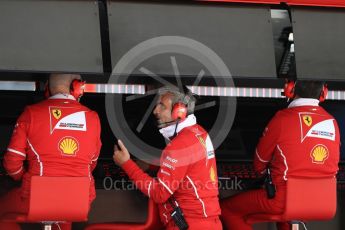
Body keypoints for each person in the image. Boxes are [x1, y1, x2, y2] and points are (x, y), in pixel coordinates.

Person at [220, 80, 340, 230]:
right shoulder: (332, 121)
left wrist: (264, 175)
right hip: (322, 202)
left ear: (290, 90)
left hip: (284, 199)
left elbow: (259, 162)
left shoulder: (282, 118)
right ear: (324, 93)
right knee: (283, 218)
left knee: (228, 209)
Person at [0, 74, 102, 230]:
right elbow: (93, 163)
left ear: (47, 88)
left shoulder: (31, 113)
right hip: (78, 201)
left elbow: (12, 163)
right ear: (76, 87)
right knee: (64, 213)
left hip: (36, 199)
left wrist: (23, 177)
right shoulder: (93, 118)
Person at [113, 86, 222, 230]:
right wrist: (153, 166)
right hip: (210, 223)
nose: (155, 111)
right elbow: (188, 167)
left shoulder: (179, 145)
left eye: (161, 106)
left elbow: (159, 194)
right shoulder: (200, 133)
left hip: (189, 224)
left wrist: (126, 163)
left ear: (179, 112)